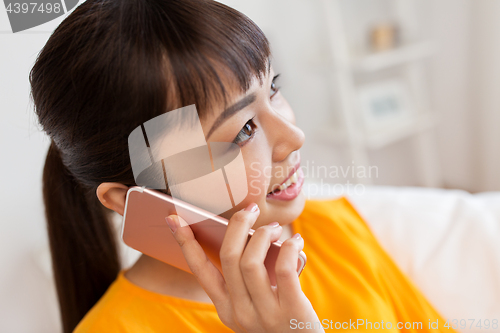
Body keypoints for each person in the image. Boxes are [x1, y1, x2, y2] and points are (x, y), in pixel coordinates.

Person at [30, 0, 456, 332]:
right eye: (244, 129)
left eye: (274, 89)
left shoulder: (334, 230)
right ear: (128, 197)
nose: (293, 137)